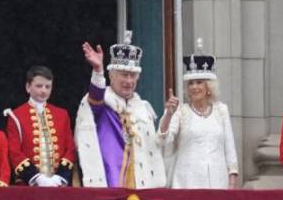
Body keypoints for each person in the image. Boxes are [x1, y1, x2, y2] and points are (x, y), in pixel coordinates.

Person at [74, 34, 167, 189]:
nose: (129, 81)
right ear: (111, 76)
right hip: (110, 181)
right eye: (124, 75)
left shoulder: (143, 108)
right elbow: (95, 97)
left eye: (133, 76)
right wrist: (98, 71)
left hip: (142, 184)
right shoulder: (103, 103)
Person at [158, 43, 240, 189]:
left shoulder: (221, 110)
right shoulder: (180, 111)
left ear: (209, 87)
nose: (194, 87)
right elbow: (164, 141)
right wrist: (168, 115)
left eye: (199, 82)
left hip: (218, 182)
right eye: (190, 83)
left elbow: (230, 148)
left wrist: (232, 180)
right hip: (187, 182)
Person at [6, 66, 75, 187]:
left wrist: (60, 177)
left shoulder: (62, 114)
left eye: (47, 86)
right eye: (39, 86)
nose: (44, 90)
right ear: (28, 87)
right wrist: (35, 177)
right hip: (28, 185)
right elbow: (14, 152)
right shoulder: (16, 116)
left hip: (58, 184)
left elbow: (70, 148)